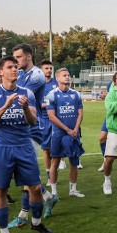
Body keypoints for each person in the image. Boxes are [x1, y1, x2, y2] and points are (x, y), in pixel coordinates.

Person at [0, 56, 54, 233]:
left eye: (16, 67)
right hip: (2, 148)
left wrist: (24, 108)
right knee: (0, 190)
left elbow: (32, 122)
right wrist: (5, 106)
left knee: (36, 188)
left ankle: (37, 223)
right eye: (10, 67)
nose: (15, 70)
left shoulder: (27, 93)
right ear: (0, 72)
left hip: (24, 146)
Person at [9, 44, 58, 226]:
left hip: (34, 128)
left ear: (28, 57)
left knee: (25, 174)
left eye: (19, 58)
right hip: (22, 129)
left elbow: (16, 92)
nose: (16, 62)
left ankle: (23, 215)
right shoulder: (21, 74)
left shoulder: (36, 76)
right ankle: (48, 197)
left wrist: (2, 78)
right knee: (24, 173)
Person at [45, 67, 85, 198]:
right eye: (64, 75)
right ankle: (54, 192)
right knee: (55, 161)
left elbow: (80, 114)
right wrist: (67, 130)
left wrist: (75, 129)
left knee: (74, 161)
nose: (67, 77)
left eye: (68, 75)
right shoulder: (52, 95)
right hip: (58, 134)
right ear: (58, 79)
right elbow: (51, 116)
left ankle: (73, 190)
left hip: (74, 133)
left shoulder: (76, 94)